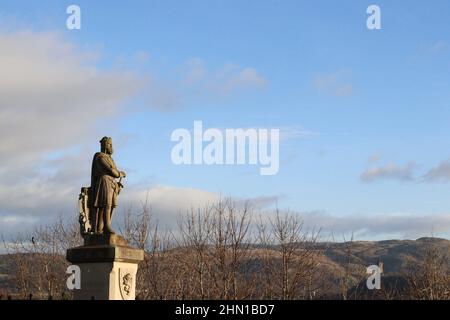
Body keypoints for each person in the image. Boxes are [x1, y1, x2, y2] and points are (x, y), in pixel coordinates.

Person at [89, 137, 126, 234]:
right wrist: (120, 174)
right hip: (104, 182)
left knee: (110, 206)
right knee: (106, 205)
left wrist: (117, 182)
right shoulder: (100, 157)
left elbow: (113, 172)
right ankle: (106, 227)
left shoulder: (110, 159)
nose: (111, 147)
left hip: (111, 183)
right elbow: (111, 171)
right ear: (105, 146)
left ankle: (102, 227)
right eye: (109, 144)